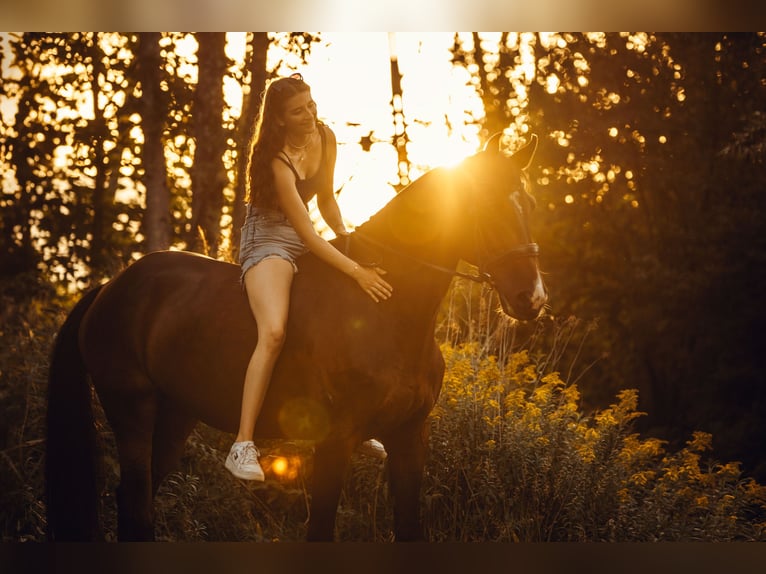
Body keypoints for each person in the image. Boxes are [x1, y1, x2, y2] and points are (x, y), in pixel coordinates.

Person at [226, 73, 393, 481]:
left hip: (308, 236)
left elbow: (327, 200)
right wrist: (355, 270)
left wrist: (350, 241)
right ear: (280, 120)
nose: (309, 114)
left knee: (346, 314)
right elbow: (303, 231)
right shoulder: (275, 160)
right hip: (270, 240)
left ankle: (356, 422)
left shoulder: (325, 136)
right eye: (298, 111)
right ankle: (242, 444)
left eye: (311, 104)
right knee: (275, 332)